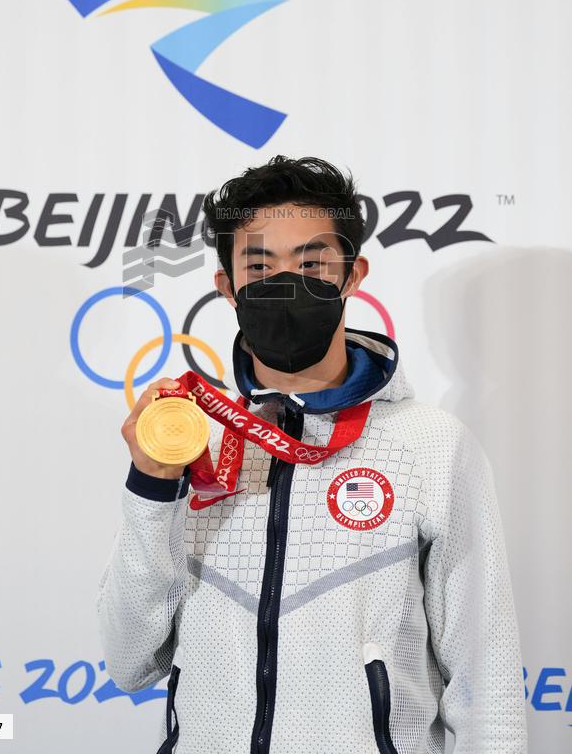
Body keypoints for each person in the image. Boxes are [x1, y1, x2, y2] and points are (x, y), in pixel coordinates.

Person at [96, 155, 528, 754]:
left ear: (352, 276)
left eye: (312, 262)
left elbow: (487, 678)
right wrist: (150, 485)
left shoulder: (431, 445)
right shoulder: (196, 438)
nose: (286, 282)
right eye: (260, 264)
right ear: (227, 287)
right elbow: (128, 660)